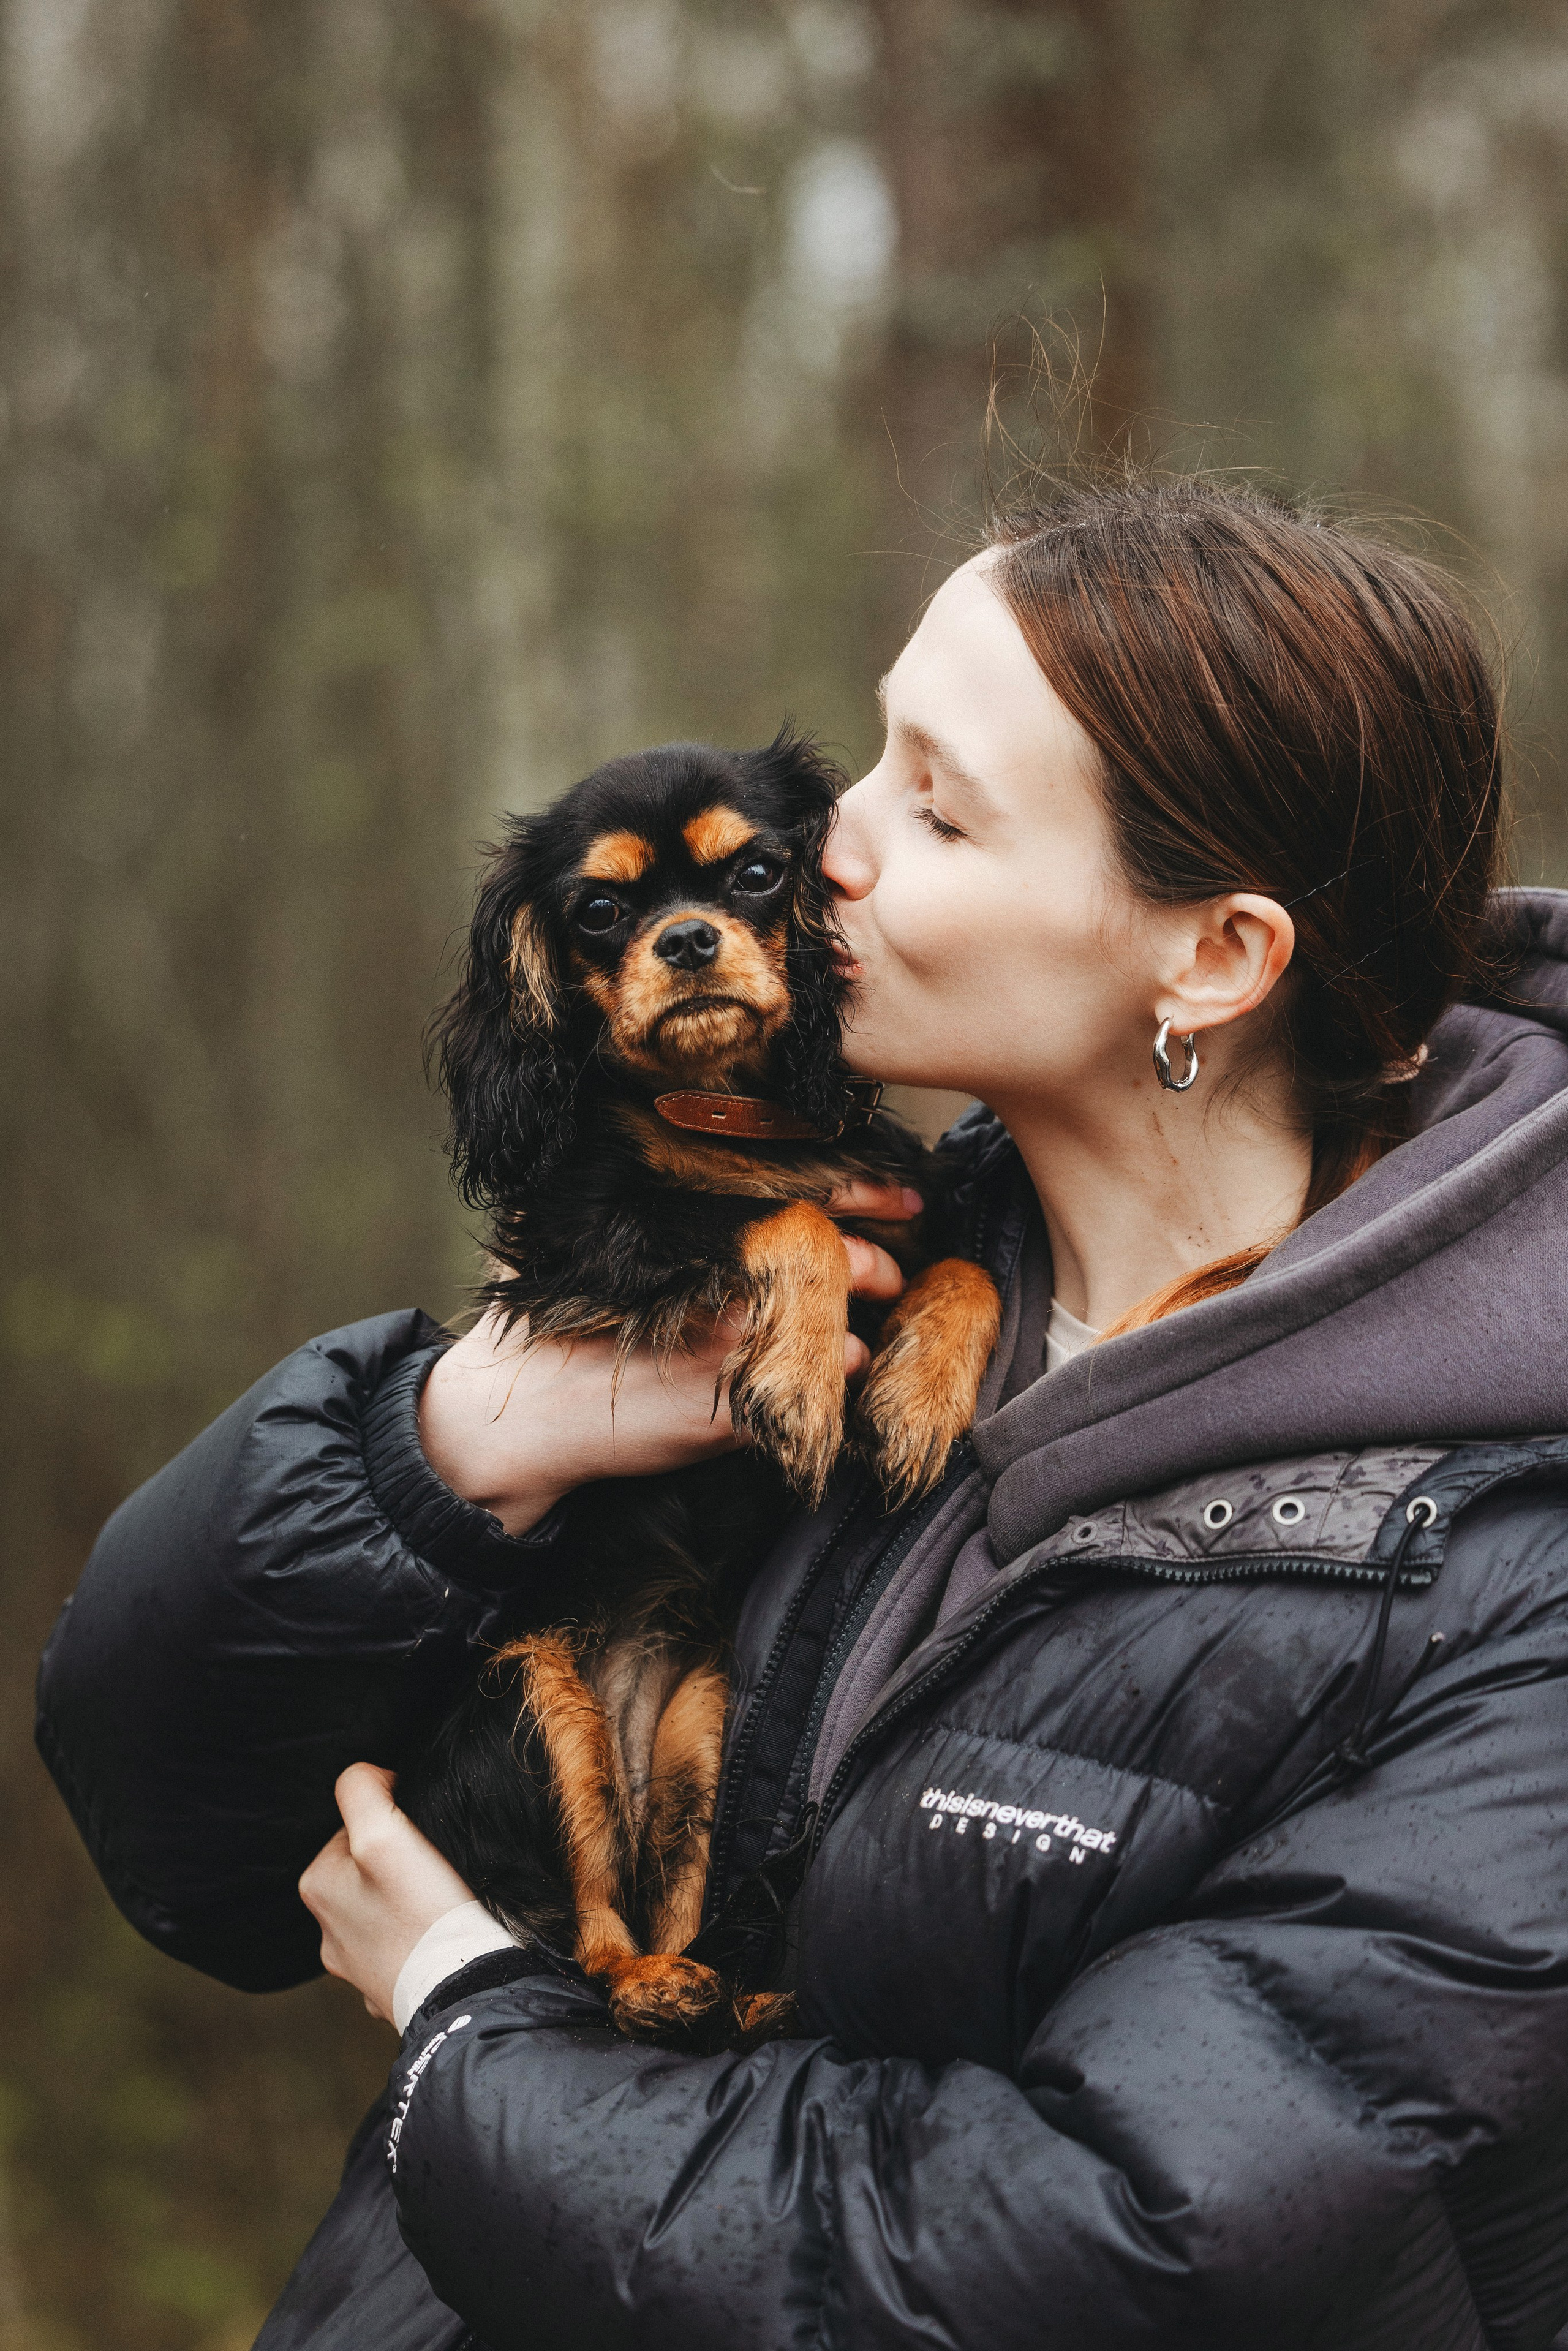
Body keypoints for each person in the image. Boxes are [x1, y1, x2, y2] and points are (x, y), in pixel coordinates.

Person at [36, 475, 1568, 2351]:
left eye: (933, 807)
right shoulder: (831, 1270)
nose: (824, 849)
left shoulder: (1517, 1582)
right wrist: (453, 1448)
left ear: (1214, 958)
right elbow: (182, 1831)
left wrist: (465, 2015)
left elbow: (1089, 2245)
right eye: (867, 768)